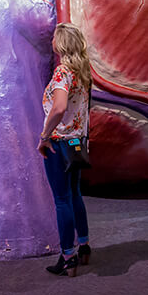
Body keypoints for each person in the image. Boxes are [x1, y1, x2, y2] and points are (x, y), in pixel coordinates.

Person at [38, 23, 92, 277]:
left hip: (59, 143)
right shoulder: (83, 71)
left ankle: (67, 257)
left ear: (61, 43)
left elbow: (59, 108)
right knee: (75, 194)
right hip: (77, 143)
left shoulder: (62, 72)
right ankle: (84, 246)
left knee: (62, 200)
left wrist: (44, 136)